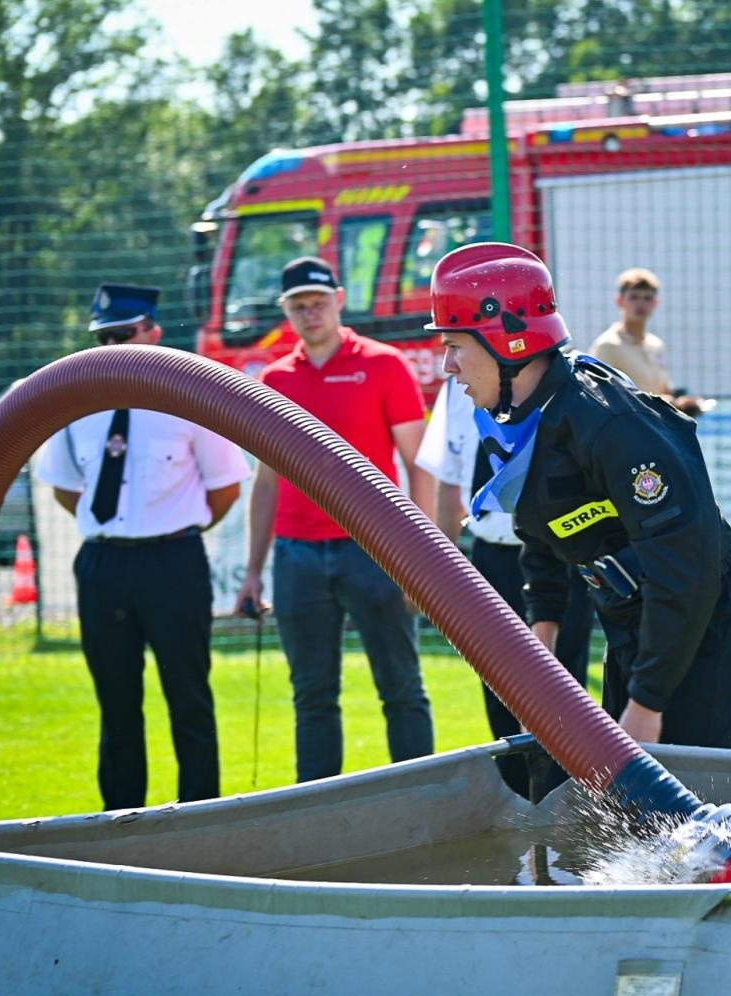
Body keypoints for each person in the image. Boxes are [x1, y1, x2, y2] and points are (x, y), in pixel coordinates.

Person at [427, 242, 731, 748]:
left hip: (701, 624)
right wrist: (535, 679)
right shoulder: (523, 420)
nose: (448, 366)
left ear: (508, 342)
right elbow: (539, 538)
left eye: (456, 346)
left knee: (691, 802)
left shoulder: (607, 421)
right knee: (631, 813)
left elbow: (687, 566)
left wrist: (647, 706)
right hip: (633, 622)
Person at [37, 283, 250, 811]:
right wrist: (114, 528)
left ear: (153, 332)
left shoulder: (189, 396)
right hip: (105, 562)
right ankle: (122, 821)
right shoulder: (75, 403)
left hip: (173, 560)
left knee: (189, 698)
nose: (113, 347)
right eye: (103, 337)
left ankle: (200, 813)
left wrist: (173, 528)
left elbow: (224, 486)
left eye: (123, 334)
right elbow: (65, 486)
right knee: (116, 704)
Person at [235, 257, 435, 780]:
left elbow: (419, 466)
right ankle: (319, 809)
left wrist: (421, 556)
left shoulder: (385, 364)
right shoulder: (274, 378)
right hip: (296, 553)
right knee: (312, 695)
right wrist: (255, 570)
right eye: (298, 306)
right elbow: (266, 480)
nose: (310, 314)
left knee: (401, 686)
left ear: (339, 300)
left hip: (374, 548)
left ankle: (423, 801)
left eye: (318, 303)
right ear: (286, 311)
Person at [416, 373, 594, 795]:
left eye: (456, 344)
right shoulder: (457, 389)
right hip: (491, 555)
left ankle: (568, 800)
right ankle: (517, 799)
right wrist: (442, 566)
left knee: (561, 683)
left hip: (555, 554)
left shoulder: (554, 379)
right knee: (498, 682)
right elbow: (449, 478)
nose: (449, 360)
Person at [586, 268, 708, 417]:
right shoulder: (607, 345)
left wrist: (681, 404)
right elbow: (598, 398)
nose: (640, 304)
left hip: (657, 430)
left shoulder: (656, 345)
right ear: (619, 301)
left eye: (647, 298)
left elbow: (663, 392)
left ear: (655, 303)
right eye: (634, 297)